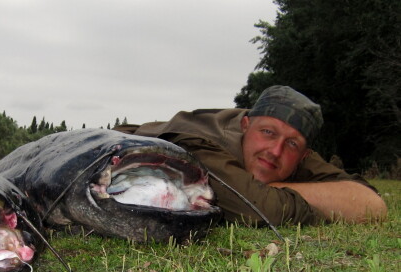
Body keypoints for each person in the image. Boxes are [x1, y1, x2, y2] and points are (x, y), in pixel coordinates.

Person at [115, 85, 387, 225]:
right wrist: (317, 200)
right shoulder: (204, 142)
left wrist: (276, 188)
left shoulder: (286, 146)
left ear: (305, 155)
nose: (276, 151)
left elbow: (371, 204)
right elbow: (257, 208)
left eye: (292, 144)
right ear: (246, 125)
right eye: (267, 133)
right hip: (110, 148)